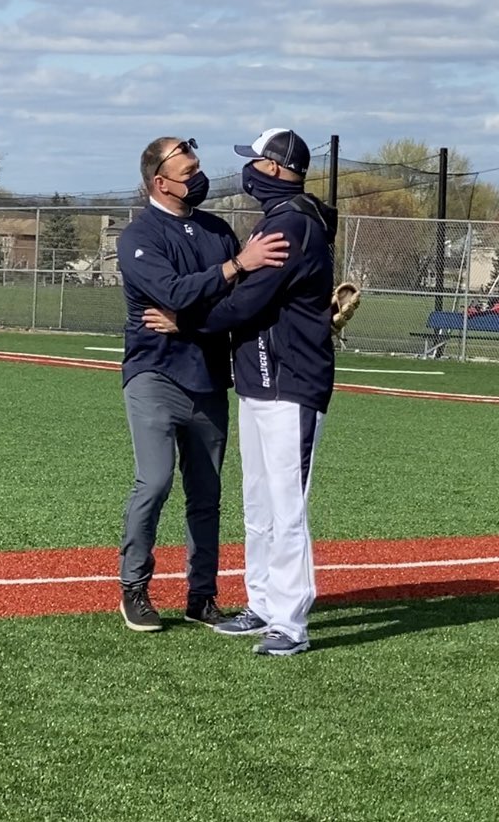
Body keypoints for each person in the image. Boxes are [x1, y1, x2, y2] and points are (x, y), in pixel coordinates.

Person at [144, 128, 337, 657]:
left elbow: (243, 305)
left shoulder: (293, 222)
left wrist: (183, 324)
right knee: (257, 502)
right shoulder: (281, 219)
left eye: (255, 161)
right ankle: (262, 604)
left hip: (292, 382)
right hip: (259, 377)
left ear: (275, 168)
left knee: (286, 505)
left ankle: (291, 623)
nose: (248, 169)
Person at [117, 135, 289, 633]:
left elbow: (234, 302)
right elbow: (171, 292)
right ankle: (135, 587)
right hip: (155, 373)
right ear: (160, 182)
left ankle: (202, 596)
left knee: (206, 492)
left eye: (197, 168)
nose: (198, 178)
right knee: (154, 481)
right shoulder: (140, 235)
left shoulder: (216, 230)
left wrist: (210, 301)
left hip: (210, 375)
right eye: (188, 172)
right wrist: (235, 267)